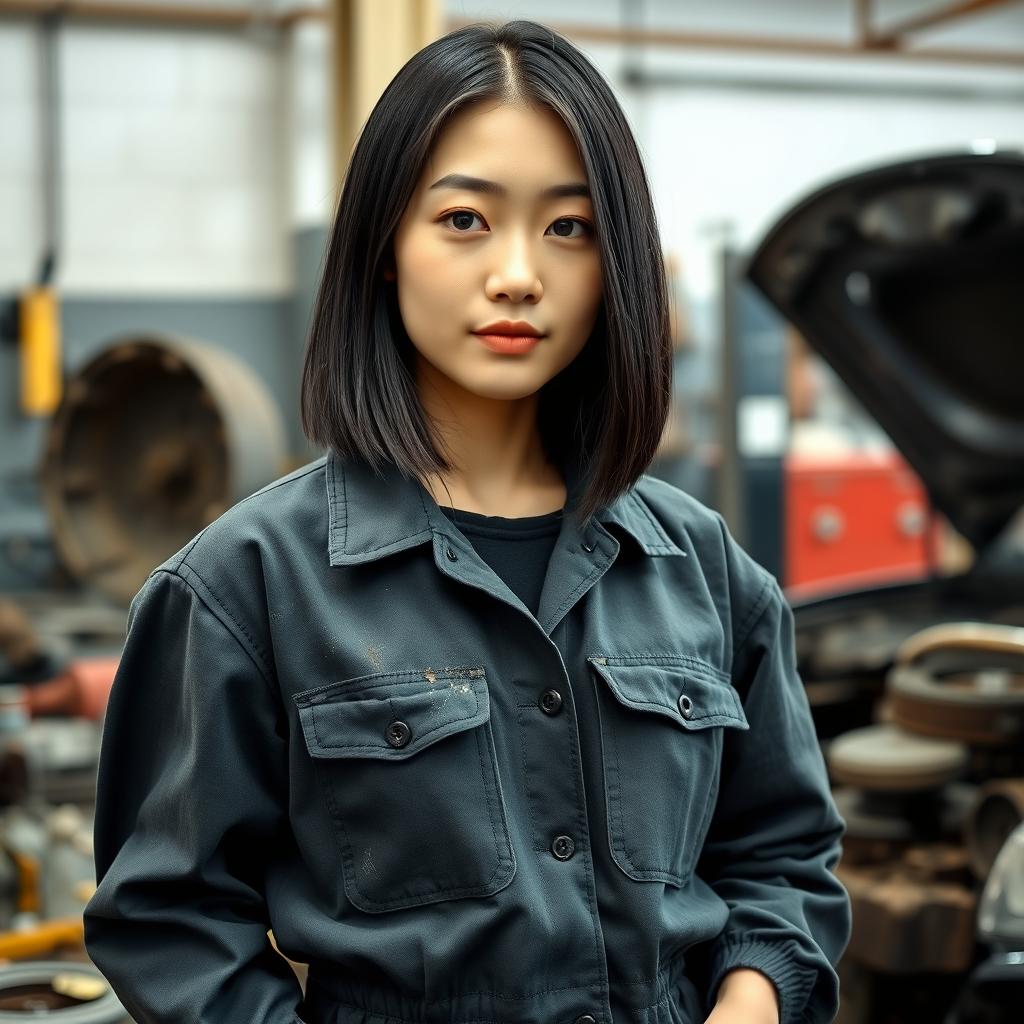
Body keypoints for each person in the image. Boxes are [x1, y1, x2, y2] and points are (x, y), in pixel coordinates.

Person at [83, 18, 852, 1024]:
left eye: (568, 227)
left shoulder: (703, 571)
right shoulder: (242, 587)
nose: (519, 274)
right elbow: (171, 920)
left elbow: (782, 860)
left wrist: (744, 1008)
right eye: (465, 220)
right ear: (381, 252)